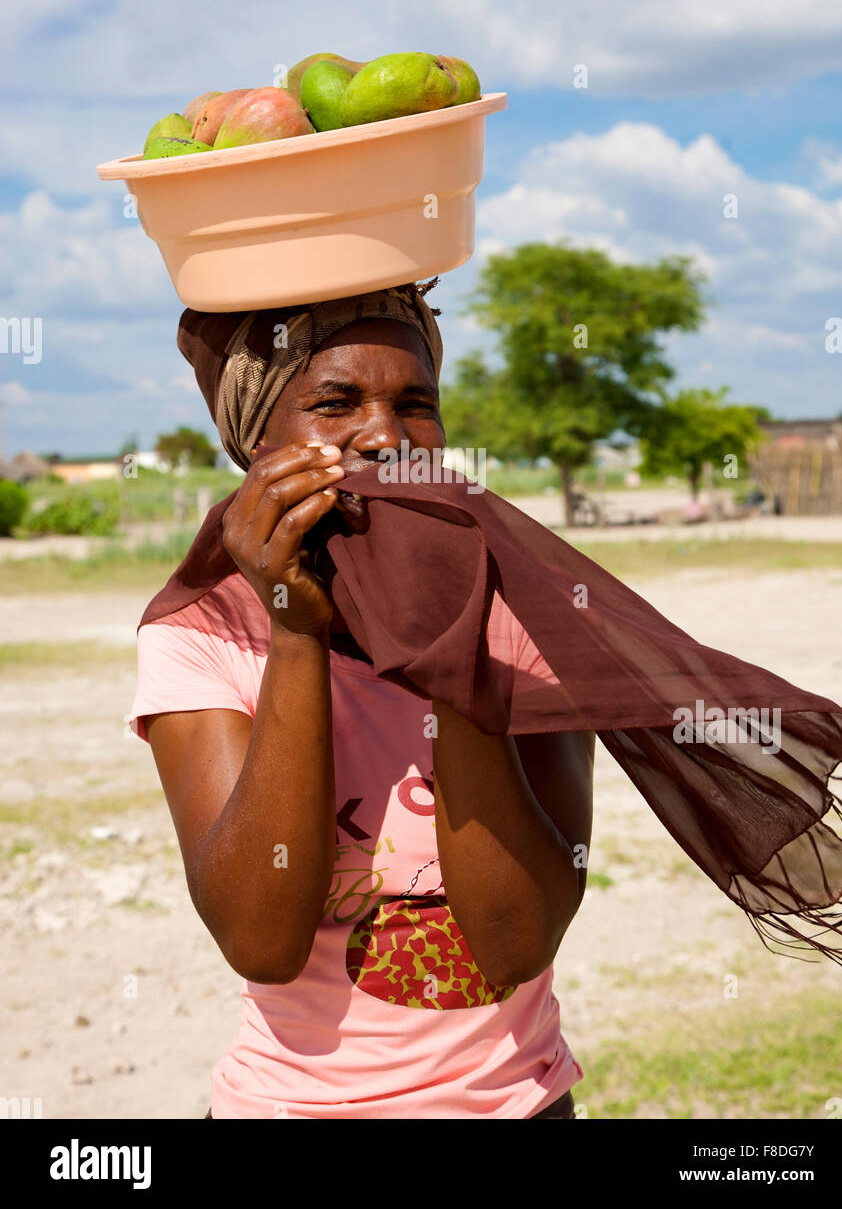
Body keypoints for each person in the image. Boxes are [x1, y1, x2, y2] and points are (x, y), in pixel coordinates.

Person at [127, 279, 596, 1120]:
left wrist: (447, 634)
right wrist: (295, 632)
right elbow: (262, 941)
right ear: (257, 444)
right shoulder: (202, 636)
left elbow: (516, 941)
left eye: (417, 405)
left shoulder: (524, 613)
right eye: (335, 403)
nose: (386, 437)